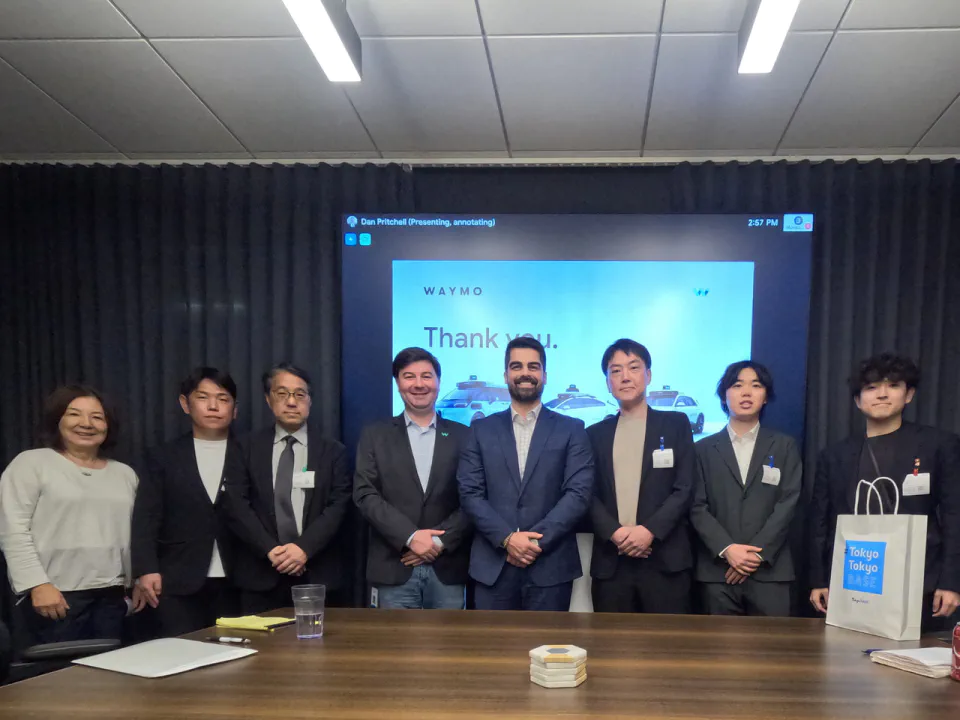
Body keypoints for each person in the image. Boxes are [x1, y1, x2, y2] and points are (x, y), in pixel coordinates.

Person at [809, 352, 960, 628]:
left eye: (893, 386)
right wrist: (819, 580)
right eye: (871, 387)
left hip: (920, 578)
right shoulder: (834, 455)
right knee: (848, 651)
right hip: (854, 577)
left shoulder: (938, 445)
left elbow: (954, 515)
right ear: (858, 400)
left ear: (909, 394)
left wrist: (951, 582)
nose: (882, 394)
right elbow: (820, 521)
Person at [458, 337, 594, 611]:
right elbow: (470, 493)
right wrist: (507, 539)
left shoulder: (572, 429)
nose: (525, 373)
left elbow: (578, 494)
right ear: (506, 375)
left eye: (533, 366)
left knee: (549, 641)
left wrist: (531, 542)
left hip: (551, 567)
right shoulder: (481, 430)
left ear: (544, 375)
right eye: (516, 366)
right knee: (491, 641)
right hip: (493, 566)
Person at [0, 386, 140, 643]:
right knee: (60, 668)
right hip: (54, 595)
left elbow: (137, 533)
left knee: (111, 666)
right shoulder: (31, 464)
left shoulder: (124, 474)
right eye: (74, 414)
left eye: (97, 417)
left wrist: (137, 580)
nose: (86, 423)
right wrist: (37, 584)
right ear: (57, 420)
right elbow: (12, 530)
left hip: (112, 596)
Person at [221, 363, 351, 614]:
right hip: (260, 574)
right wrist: (271, 550)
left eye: (300, 394)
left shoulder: (333, 451)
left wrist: (303, 549)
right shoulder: (244, 448)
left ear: (310, 401)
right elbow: (236, 504)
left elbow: (338, 506)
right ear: (268, 399)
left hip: (316, 574)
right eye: (282, 394)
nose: (292, 402)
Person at [354, 348, 471, 609]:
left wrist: (436, 542)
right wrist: (410, 537)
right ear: (397, 383)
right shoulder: (375, 435)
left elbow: (473, 498)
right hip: (393, 567)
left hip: (447, 568)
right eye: (409, 376)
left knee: (450, 637)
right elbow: (365, 494)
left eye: (426, 376)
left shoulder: (465, 436)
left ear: (438, 382)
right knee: (394, 637)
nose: (419, 384)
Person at [130, 367, 242, 635]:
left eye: (223, 399)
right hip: (177, 579)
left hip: (240, 579)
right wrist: (146, 569)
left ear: (235, 409)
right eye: (203, 397)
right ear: (185, 403)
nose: (213, 406)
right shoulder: (162, 457)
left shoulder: (250, 452)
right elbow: (147, 517)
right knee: (183, 652)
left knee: (239, 654)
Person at [588, 339, 696, 614]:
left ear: (648, 375)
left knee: (667, 641)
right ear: (608, 382)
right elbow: (586, 494)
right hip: (612, 563)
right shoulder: (593, 434)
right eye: (615, 371)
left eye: (633, 367)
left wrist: (649, 532)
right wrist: (616, 534)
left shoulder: (676, 424)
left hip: (665, 561)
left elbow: (685, 487)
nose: (625, 376)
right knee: (612, 640)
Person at [690, 361, 802, 616]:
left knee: (771, 642)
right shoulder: (702, 449)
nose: (747, 392)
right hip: (718, 573)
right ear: (724, 395)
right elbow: (697, 506)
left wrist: (754, 556)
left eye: (756, 385)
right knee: (720, 642)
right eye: (738, 385)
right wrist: (728, 550)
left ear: (766, 397)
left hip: (770, 572)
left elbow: (789, 502)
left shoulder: (784, 446)